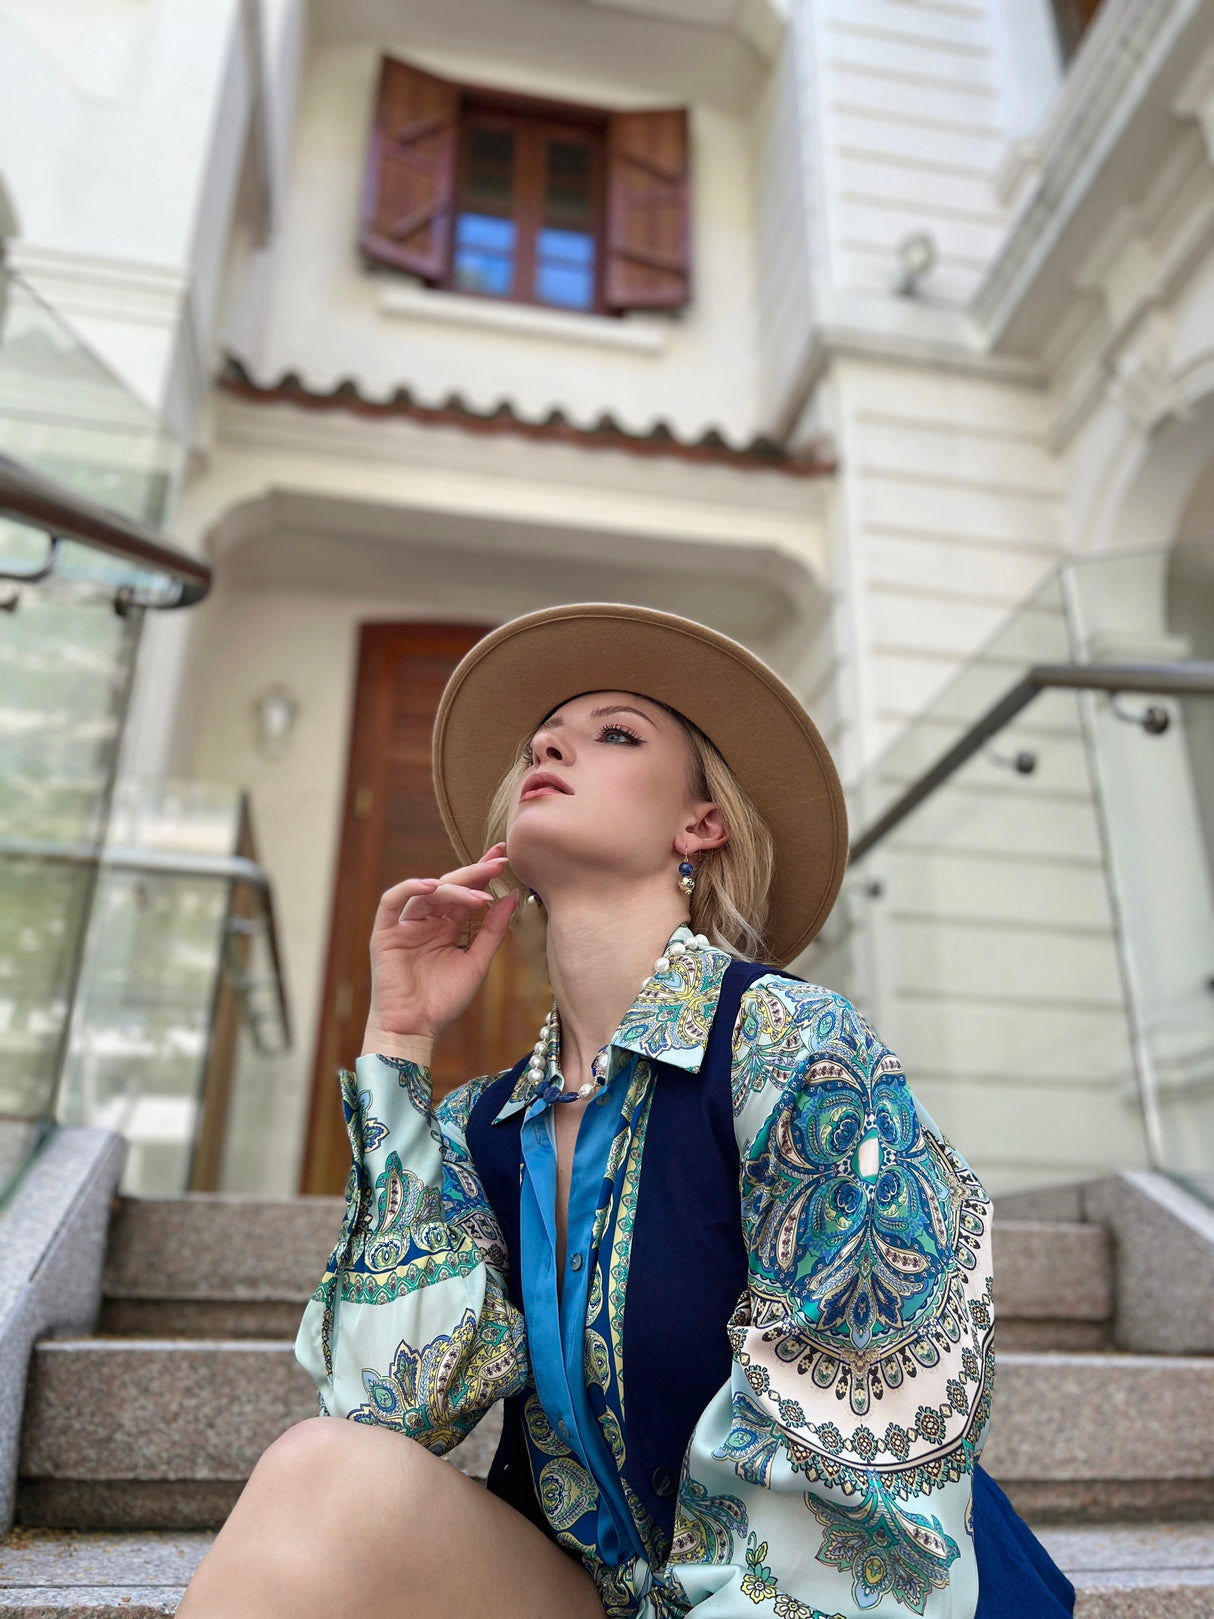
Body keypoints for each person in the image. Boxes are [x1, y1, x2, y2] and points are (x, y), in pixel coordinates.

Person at [179, 603, 1074, 1619]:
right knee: (321, 1469)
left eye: (614, 732)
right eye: (538, 742)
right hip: (600, 1591)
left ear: (699, 823)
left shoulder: (791, 1044)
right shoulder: (483, 1127)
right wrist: (397, 1037)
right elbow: (385, 1400)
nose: (549, 744)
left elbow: (865, 1451)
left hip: (837, 1597)